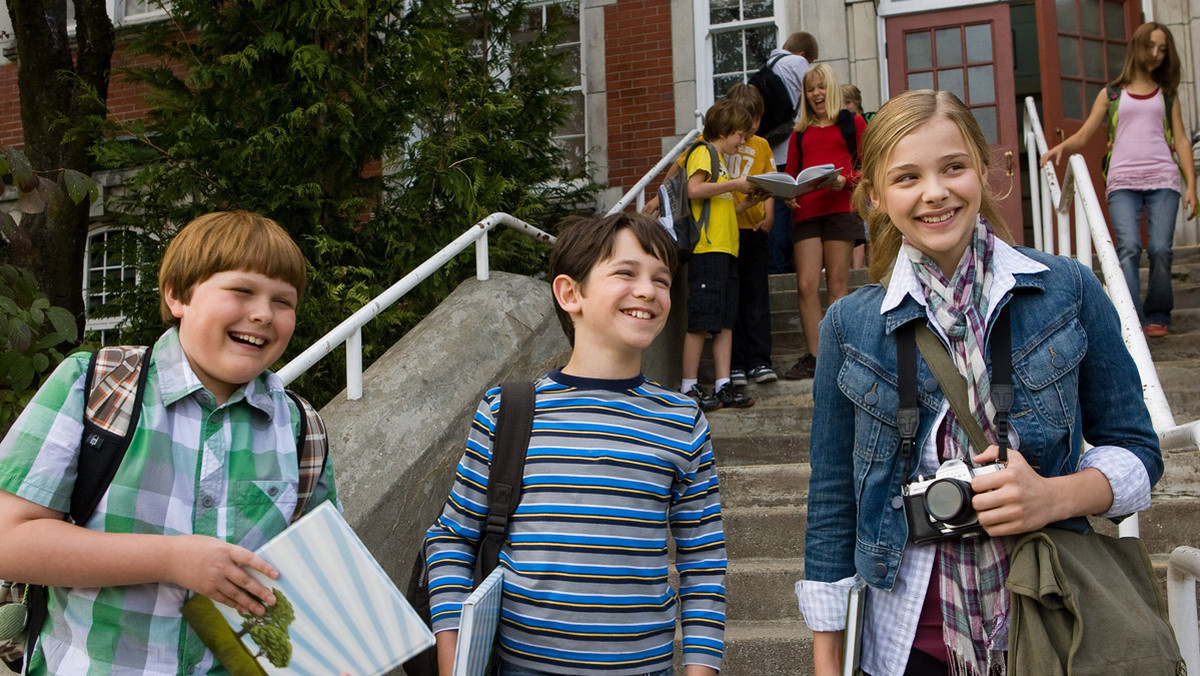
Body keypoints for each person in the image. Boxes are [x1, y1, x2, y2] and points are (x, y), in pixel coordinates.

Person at [797, 89, 1162, 676]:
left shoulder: (1065, 290)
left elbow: (1140, 454)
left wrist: (1052, 496)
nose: (934, 192)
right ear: (876, 195)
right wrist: (827, 663)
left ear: (983, 172)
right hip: (904, 642)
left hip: (1049, 623)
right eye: (907, 177)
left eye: (953, 168)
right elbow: (834, 503)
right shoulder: (850, 325)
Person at [0, 211, 340, 674]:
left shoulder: (304, 431)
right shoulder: (95, 387)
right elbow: (10, 540)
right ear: (178, 296)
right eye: (242, 291)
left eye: (284, 301)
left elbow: (320, 576)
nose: (263, 313)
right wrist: (171, 558)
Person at [423, 212, 727, 676]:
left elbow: (703, 562)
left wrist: (701, 669)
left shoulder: (682, 420)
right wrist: (453, 661)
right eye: (626, 272)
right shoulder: (508, 410)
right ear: (570, 293)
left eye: (661, 279)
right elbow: (451, 539)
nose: (648, 290)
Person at [1040, 22, 1197, 338]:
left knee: (1161, 250)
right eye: (1151, 46)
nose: (1156, 54)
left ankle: (1157, 314)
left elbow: (1181, 139)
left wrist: (1192, 184)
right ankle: (1132, 319)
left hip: (1164, 179)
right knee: (1127, 249)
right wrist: (1059, 148)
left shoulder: (1167, 94)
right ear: (1137, 47)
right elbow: (1084, 134)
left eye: (1163, 49)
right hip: (1123, 181)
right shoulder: (1111, 94)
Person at [782, 64, 866, 380]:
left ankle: (838, 353)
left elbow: (868, 169)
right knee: (805, 285)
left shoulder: (852, 122)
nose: (816, 94)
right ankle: (816, 356)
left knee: (837, 286)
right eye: (810, 89)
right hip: (806, 213)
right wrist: (787, 193)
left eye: (821, 87)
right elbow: (790, 174)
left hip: (840, 210)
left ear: (831, 89)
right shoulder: (799, 133)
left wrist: (846, 181)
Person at [679, 98, 759, 410]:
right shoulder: (703, 151)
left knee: (725, 320)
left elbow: (722, 206)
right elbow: (693, 190)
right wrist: (736, 184)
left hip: (726, 248)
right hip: (707, 248)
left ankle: (724, 383)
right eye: (739, 134)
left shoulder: (721, 161)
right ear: (724, 130)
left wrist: (747, 203)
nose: (742, 141)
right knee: (701, 319)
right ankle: (689, 386)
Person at [723, 83, 779, 387]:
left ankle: (760, 360)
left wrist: (769, 213)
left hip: (755, 229)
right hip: (726, 231)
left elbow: (769, 182)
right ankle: (735, 363)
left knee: (756, 295)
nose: (753, 126)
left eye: (757, 119)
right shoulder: (718, 141)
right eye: (748, 118)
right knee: (732, 297)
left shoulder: (761, 145)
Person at [766, 32, 820, 275]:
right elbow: (811, 101)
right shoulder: (797, 64)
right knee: (793, 208)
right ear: (803, 55)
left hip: (771, 148)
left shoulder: (769, 65)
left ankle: (776, 264)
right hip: (791, 148)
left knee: (776, 210)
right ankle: (792, 264)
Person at [842, 83, 872, 270]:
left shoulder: (863, 121)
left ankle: (866, 269)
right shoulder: (844, 124)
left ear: (855, 102)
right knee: (860, 229)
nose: (843, 108)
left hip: (865, 179)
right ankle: (858, 269)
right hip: (852, 181)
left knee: (868, 228)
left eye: (847, 103)